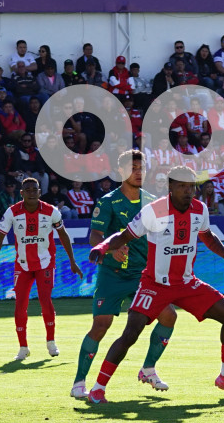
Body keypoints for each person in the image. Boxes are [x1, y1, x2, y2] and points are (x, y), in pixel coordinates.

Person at [86, 165, 224, 403]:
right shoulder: (154, 211)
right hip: (155, 284)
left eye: (191, 186)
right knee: (131, 334)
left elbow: (207, 236)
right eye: (182, 186)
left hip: (186, 283)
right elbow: (124, 235)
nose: (188, 191)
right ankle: (98, 388)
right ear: (170, 187)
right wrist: (102, 247)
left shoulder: (200, 209)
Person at [70, 151, 179, 398]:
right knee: (101, 325)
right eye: (133, 168)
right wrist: (111, 251)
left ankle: (148, 369)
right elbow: (94, 237)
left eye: (142, 168)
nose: (139, 173)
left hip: (143, 275)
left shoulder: (152, 201)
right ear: (120, 172)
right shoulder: (107, 202)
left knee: (169, 316)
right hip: (112, 274)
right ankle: (79, 382)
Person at [0, 177, 82, 360]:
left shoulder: (51, 211)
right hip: (22, 264)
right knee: (20, 306)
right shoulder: (12, 212)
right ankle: (23, 348)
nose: (31, 192)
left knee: (45, 301)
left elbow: (63, 235)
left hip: (45, 263)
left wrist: (72, 261)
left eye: (34, 189)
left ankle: (51, 342)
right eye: (27, 190)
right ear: (21, 193)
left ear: (39, 192)